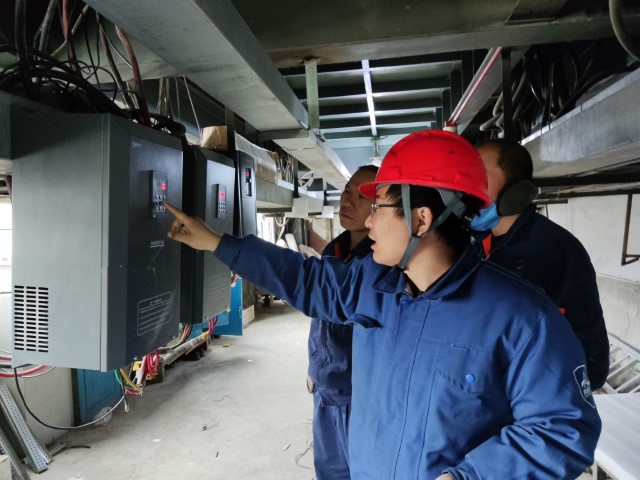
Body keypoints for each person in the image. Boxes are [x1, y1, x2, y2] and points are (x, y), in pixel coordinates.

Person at [165, 130, 601, 480]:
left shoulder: (522, 317)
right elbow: (304, 277)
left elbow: (563, 429)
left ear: (421, 219)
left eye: (380, 207)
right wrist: (217, 243)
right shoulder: (372, 284)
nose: (369, 221)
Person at [473, 139, 610, 390]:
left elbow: (589, 362)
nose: (470, 185)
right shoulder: (480, 244)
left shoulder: (554, 249)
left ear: (515, 190)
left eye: (480, 174)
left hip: (545, 387)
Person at [307, 164, 377, 480]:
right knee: (329, 470)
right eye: (347, 191)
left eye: (361, 197)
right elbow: (320, 315)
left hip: (358, 392)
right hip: (325, 387)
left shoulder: (380, 258)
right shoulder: (334, 250)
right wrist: (314, 364)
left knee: (363, 471)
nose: (347, 201)